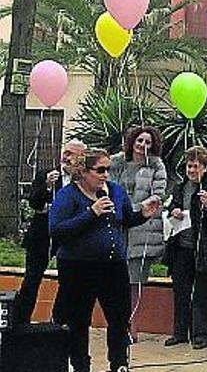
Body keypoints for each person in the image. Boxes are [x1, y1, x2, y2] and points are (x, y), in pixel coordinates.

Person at [49, 148, 161, 372]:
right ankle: (80, 365)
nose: (105, 175)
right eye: (100, 170)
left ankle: (119, 363)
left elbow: (126, 219)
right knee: (79, 321)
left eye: (108, 170)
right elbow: (57, 230)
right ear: (83, 171)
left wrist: (143, 214)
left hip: (113, 266)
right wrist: (91, 213)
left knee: (119, 319)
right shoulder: (68, 195)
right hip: (79, 267)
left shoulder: (116, 192)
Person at [163, 146, 207, 350]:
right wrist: (173, 210)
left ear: (205, 167)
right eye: (188, 166)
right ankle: (180, 332)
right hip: (182, 246)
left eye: (195, 167)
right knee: (181, 291)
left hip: (206, 248)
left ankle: (202, 333)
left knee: (204, 292)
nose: (191, 171)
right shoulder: (181, 186)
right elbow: (172, 205)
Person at [13, 139, 85, 326]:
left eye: (72, 154)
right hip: (41, 235)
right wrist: (46, 186)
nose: (66, 157)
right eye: (65, 152)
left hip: (68, 237)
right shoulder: (46, 174)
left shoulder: (83, 180)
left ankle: (58, 322)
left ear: (81, 158)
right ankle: (21, 322)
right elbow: (34, 203)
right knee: (31, 279)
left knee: (68, 281)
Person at [109, 126, 166, 343]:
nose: (143, 145)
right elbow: (107, 188)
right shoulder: (116, 162)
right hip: (117, 227)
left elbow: (158, 195)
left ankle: (134, 328)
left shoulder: (156, 165)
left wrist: (139, 208)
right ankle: (118, 324)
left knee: (135, 283)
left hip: (143, 230)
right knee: (115, 282)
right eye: (140, 140)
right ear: (132, 141)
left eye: (148, 142)